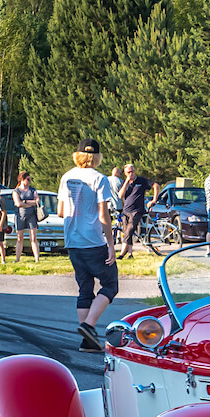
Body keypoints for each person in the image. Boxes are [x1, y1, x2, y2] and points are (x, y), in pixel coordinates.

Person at [58, 138, 117, 354]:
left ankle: (87, 341)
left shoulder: (67, 177)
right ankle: (88, 325)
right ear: (98, 157)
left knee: (85, 287)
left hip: (72, 241)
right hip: (93, 241)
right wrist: (110, 244)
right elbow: (104, 215)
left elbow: (61, 211)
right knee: (110, 284)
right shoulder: (100, 179)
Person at [116, 163, 159, 259]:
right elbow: (120, 195)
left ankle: (122, 254)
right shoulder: (125, 183)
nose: (131, 173)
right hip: (126, 210)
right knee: (127, 232)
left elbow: (156, 185)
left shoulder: (141, 181)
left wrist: (154, 200)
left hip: (137, 210)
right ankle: (130, 254)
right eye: (129, 172)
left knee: (129, 231)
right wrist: (127, 181)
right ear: (125, 173)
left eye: (132, 171)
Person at [12, 171, 40, 263]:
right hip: (20, 216)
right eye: (28, 179)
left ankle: (37, 259)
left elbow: (37, 201)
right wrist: (30, 203)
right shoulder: (16, 191)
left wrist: (25, 202)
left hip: (32, 216)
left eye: (30, 179)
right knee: (20, 238)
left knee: (33, 237)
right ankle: (17, 259)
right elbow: (18, 203)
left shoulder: (33, 190)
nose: (29, 181)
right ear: (22, 180)